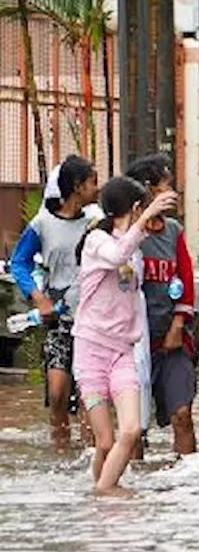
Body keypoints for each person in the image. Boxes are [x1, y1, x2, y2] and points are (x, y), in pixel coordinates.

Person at [72, 177, 178, 495]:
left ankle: (105, 494)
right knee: (104, 441)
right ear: (135, 208)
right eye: (144, 207)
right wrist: (144, 220)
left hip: (122, 351)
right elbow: (116, 255)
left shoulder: (135, 248)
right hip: (91, 351)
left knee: (131, 430)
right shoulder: (96, 241)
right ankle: (101, 499)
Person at [11, 155, 101, 448]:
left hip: (93, 320)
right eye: (92, 182)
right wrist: (38, 298)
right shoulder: (43, 224)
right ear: (77, 187)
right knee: (58, 390)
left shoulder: (97, 222)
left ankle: (92, 456)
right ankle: (60, 451)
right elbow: (19, 263)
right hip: (58, 320)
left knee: (91, 396)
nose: (96, 188)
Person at [127, 154, 197, 457]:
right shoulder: (128, 236)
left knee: (182, 415)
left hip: (172, 338)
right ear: (149, 189)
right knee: (134, 428)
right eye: (167, 186)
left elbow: (186, 281)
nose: (174, 193)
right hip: (132, 342)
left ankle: (186, 486)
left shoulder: (173, 231)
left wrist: (178, 325)